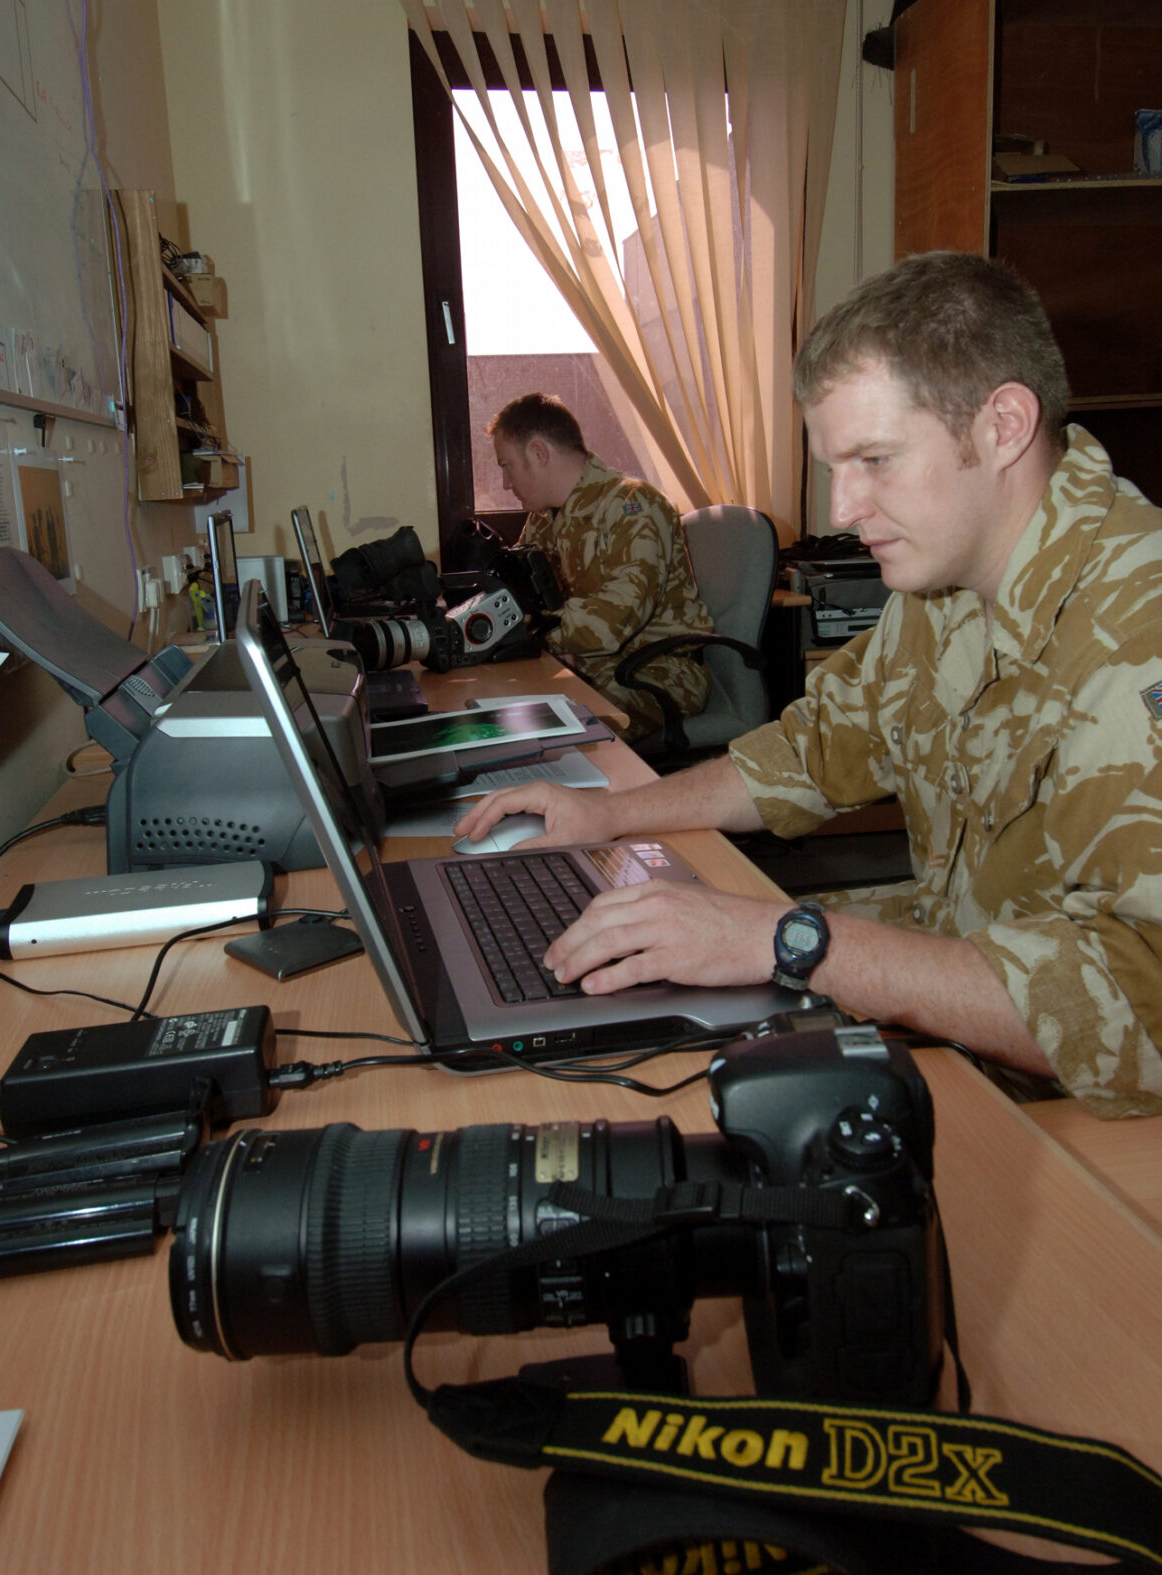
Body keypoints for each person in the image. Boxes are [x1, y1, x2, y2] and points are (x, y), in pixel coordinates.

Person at [459, 254, 1162, 1118]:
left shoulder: (1139, 633)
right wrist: (608, 815)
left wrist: (787, 941)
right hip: (971, 992)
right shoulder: (946, 586)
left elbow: (1140, 1014)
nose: (841, 508)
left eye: (874, 458)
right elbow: (812, 752)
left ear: (1004, 425)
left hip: (1092, 1118)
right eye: (838, 464)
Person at [487, 393, 714, 742]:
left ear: (538, 453)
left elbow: (611, 623)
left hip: (654, 671)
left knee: (549, 729)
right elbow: (523, 598)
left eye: (507, 466)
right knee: (503, 706)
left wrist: (523, 631)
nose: (506, 483)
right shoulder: (543, 520)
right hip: (589, 663)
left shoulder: (634, 506)